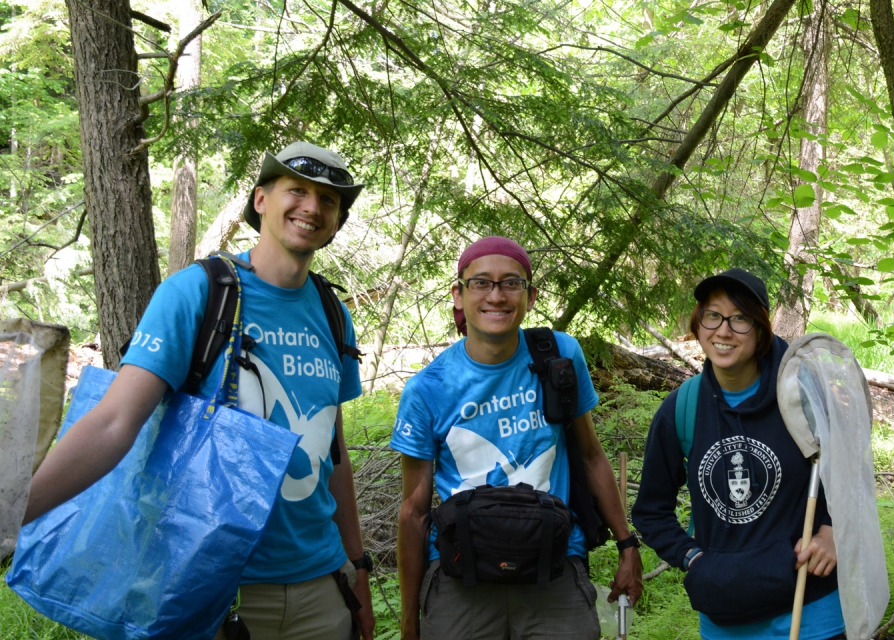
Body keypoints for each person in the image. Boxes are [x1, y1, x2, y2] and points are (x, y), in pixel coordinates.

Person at [22, 141, 376, 640]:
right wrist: (12, 514)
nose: (312, 208)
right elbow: (113, 421)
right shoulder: (198, 291)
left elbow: (332, 452)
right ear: (260, 200)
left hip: (320, 585)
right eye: (297, 191)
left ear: (337, 219)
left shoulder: (333, 313)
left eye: (329, 200)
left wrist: (356, 564)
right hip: (205, 581)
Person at [389, 236, 644, 639]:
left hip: (554, 564)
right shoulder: (428, 389)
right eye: (481, 283)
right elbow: (413, 512)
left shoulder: (558, 356)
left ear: (531, 295)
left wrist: (627, 545)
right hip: (461, 571)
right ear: (458, 294)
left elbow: (592, 456)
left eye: (511, 283)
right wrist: (409, 622)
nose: (497, 296)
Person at [631, 268, 844, 640]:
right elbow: (650, 511)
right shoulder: (682, 408)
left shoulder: (801, 397)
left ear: (761, 328)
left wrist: (833, 532)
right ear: (698, 324)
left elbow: (849, 477)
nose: (724, 330)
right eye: (713, 315)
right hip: (726, 613)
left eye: (740, 318)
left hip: (810, 608)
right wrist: (694, 560)